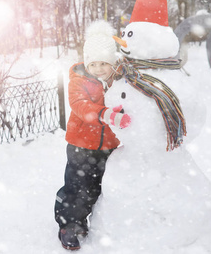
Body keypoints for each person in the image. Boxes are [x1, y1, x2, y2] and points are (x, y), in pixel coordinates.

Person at [55, 20, 131, 250]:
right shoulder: (78, 82)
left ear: (113, 63)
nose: (98, 68)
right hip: (81, 146)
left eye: (104, 63)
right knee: (78, 187)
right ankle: (69, 225)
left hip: (108, 146)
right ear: (87, 62)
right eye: (94, 63)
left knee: (99, 187)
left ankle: (97, 222)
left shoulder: (117, 82)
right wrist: (107, 114)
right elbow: (82, 107)